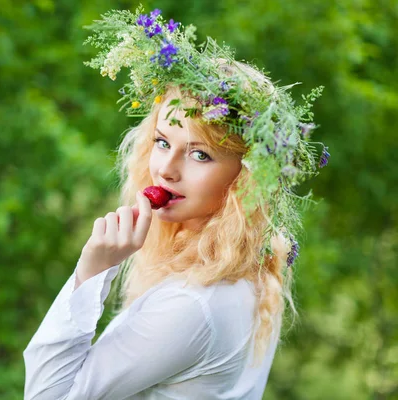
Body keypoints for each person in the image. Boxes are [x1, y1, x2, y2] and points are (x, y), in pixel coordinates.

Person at [23, 7, 329, 400]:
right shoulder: (249, 266)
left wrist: (91, 273)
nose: (165, 169)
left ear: (244, 177)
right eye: (163, 142)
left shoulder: (191, 305)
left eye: (200, 154)